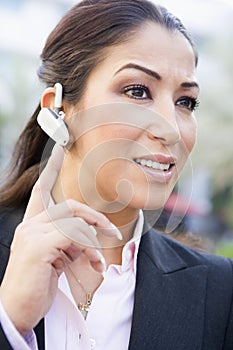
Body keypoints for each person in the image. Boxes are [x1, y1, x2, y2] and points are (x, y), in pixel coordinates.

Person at [0, 0, 232, 349]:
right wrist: (10, 321)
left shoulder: (219, 292)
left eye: (186, 101)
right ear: (58, 108)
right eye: (137, 91)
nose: (170, 129)